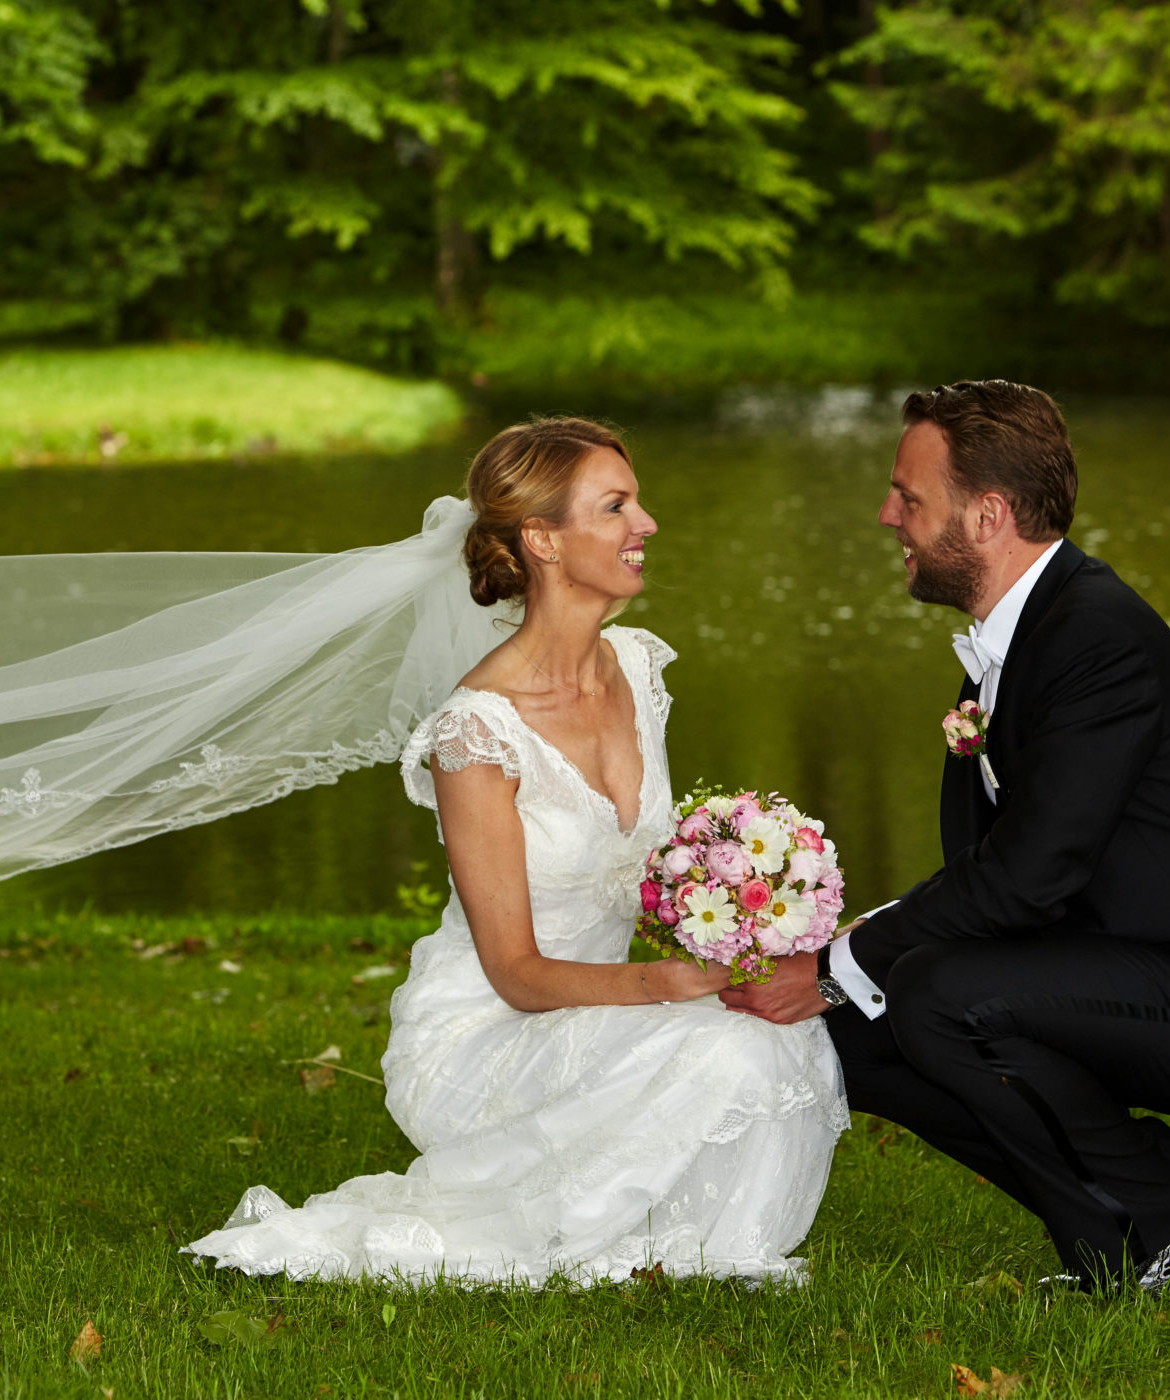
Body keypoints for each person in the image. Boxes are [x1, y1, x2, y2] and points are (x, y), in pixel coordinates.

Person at [184, 418, 848, 1284]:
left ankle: (707, 1245)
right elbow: (516, 972)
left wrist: (748, 903)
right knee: (725, 1046)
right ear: (541, 539)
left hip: (606, 1003)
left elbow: (648, 879)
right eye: (615, 508)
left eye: (636, 503)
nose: (646, 525)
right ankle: (647, 1241)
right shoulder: (477, 732)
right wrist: (664, 986)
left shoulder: (638, 671)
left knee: (776, 1031)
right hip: (489, 1032)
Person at [724, 381, 1170, 1293]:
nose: (886, 514)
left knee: (932, 992)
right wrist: (848, 962)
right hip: (1126, 962)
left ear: (987, 515)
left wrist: (832, 965)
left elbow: (1028, 878)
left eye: (909, 497)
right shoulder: (1023, 636)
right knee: (858, 1032)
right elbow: (1000, 875)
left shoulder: (1097, 640)